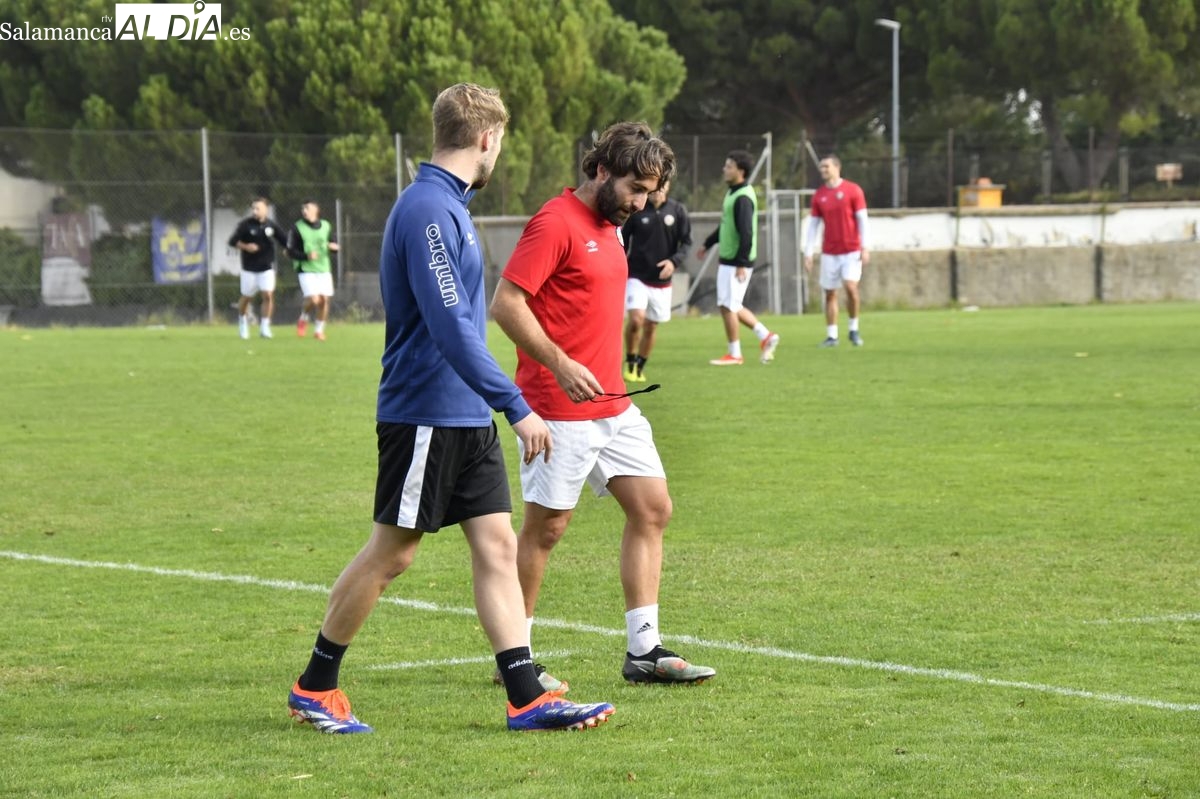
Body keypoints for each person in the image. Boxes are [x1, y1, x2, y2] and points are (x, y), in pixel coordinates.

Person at [286, 83, 615, 735]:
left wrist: (491, 405)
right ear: (488, 138)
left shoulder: (450, 207)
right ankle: (316, 684)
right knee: (395, 550)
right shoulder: (429, 211)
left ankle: (526, 695)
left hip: (465, 414)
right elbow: (450, 326)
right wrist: (515, 404)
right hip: (427, 411)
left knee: (496, 544)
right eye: (502, 142)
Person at [490, 121, 716, 687]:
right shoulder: (555, 221)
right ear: (600, 170)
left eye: (649, 192)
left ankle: (644, 651)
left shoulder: (613, 223)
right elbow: (507, 304)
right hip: (557, 405)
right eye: (635, 189)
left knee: (653, 509)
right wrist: (561, 363)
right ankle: (515, 659)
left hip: (613, 406)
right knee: (546, 530)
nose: (641, 203)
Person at [697, 150, 779, 365]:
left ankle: (736, 353)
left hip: (736, 261)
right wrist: (708, 242)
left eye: (729, 166)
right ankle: (764, 336)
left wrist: (742, 263)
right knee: (727, 304)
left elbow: (746, 232)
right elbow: (726, 226)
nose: (725, 169)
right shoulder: (733, 193)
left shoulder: (743, 197)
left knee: (730, 304)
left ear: (740, 171)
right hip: (729, 259)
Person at [621, 178, 691, 383]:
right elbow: (622, 241)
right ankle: (630, 361)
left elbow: (686, 242)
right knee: (636, 320)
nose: (658, 191)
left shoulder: (678, 211)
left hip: (662, 282)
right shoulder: (638, 209)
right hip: (637, 276)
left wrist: (673, 262)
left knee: (651, 326)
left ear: (668, 187)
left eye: (663, 186)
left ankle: (640, 367)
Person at [804, 154, 869, 347]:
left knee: (851, 287)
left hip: (851, 250)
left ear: (837, 168)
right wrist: (808, 252)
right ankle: (832, 336)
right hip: (829, 252)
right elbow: (813, 226)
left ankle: (853, 329)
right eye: (821, 167)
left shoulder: (853, 190)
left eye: (826, 167)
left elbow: (862, 220)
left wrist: (865, 247)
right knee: (830, 293)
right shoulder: (819, 195)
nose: (823, 170)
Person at [227, 197, 287, 339]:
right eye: (253, 208)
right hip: (249, 268)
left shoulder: (272, 226)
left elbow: (284, 240)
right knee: (247, 297)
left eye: (258, 208)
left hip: (266, 268)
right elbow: (232, 241)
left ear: (266, 209)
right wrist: (246, 246)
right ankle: (242, 321)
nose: (255, 211)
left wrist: (288, 249)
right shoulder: (245, 225)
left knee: (268, 295)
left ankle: (265, 327)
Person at [287, 200, 339, 341]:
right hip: (306, 268)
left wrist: (334, 248)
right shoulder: (296, 228)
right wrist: (306, 256)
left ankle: (319, 330)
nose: (305, 211)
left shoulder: (326, 226)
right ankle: (303, 318)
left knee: (324, 300)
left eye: (308, 208)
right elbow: (290, 251)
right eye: (303, 208)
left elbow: (334, 243)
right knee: (314, 300)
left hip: (323, 268)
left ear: (316, 210)